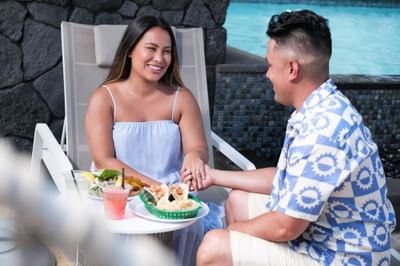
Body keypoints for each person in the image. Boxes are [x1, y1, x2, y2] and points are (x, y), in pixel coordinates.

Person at [193, 10, 397, 266]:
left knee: (214, 248)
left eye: (270, 65)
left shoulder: (324, 131)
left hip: (345, 257)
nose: (267, 75)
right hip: (322, 234)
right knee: (237, 201)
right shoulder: (320, 107)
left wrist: (229, 235)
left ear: (292, 69)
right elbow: (285, 179)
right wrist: (214, 176)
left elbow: (285, 227)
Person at [85, 16, 212, 265]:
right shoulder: (104, 98)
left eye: (167, 52)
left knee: (190, 230)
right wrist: (158, 191)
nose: (159, 59)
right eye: (151, 49)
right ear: (131, 50)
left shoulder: (181, 98)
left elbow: (197, 147)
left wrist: (195, 157)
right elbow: (103, 160)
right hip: (122, 194)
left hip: (172, 200)